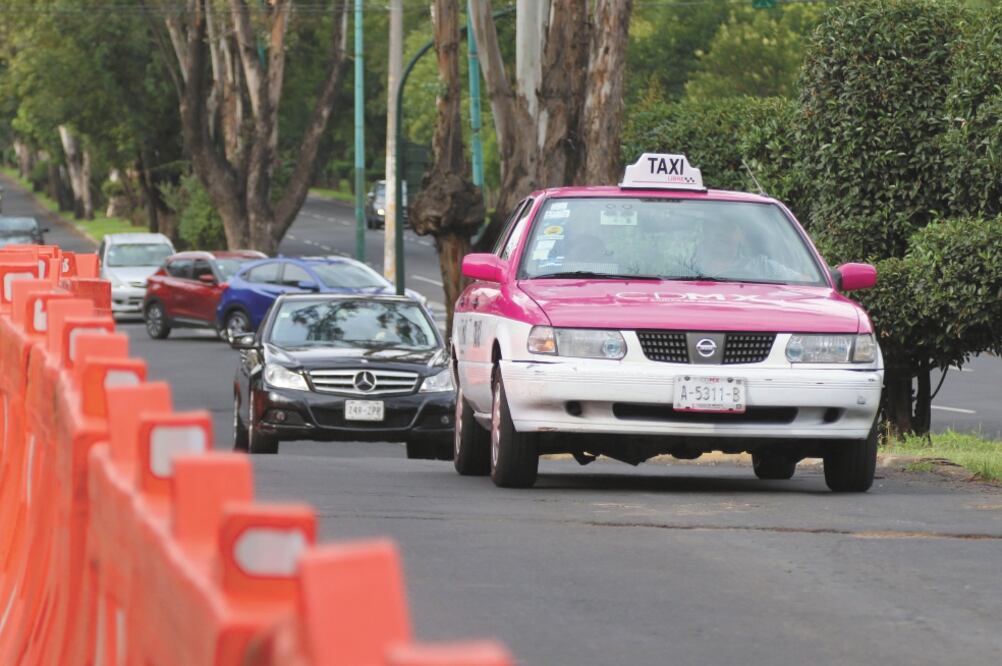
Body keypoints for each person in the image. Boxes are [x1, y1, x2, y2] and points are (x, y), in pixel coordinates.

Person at [696, 221, 807, 282]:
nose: (721, 234)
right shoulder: (687, 265)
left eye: (728, 227)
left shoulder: (761, 266)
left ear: (741, 236)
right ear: (704, 233)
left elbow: (805, 282)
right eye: (713, 227)